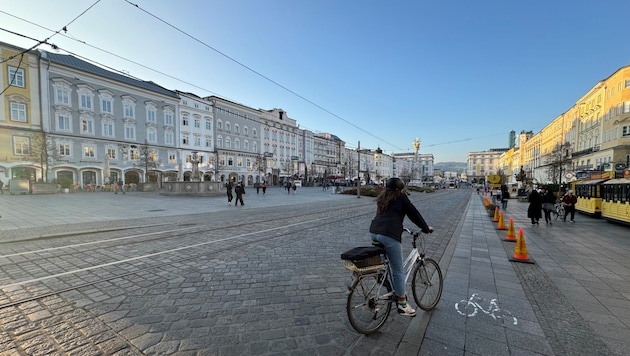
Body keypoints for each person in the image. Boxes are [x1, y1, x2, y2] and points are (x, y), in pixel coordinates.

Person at [369, 177, 433, 317]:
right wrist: (426, 228)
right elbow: (414, 214)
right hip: (388, 236)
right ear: (400, 189)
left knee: (388, 265)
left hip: (374, 232)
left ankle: (384, 281)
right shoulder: (401, 197)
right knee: (398, 271)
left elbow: (387, 216)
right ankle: (403, 304)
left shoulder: (383, 198)